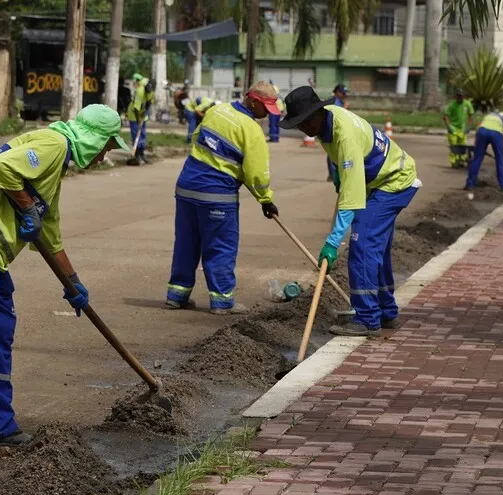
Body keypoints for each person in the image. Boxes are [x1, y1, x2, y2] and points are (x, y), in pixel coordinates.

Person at [0, 104, 128, 468]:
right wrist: (27, 207)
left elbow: (51, 237)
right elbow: (3, 168)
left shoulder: (55, 167)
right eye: (109, 146)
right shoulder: (54, 144)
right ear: (96, 139)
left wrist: (73, 284)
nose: (106, 155)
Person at [281, 86, 421, 338]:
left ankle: (367, 319)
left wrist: (333, 242)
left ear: (316, 114)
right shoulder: (327, 121)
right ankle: (386, 312)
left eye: (302, 123)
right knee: (377, 248)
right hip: (380, 181)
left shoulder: (343, 134)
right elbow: (343, 165)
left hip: (392, 182)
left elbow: (352, 199)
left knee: (363, 245)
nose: (302, 130)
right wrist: (338, 174)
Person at [165, 81, 281, 315]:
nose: (267, 114)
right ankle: (222, 301)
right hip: (217, 196)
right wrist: (265, 199)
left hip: (187, 188)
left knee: (187, 244)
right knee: (220, 248)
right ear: (252, 101)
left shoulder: (216, 111)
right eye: (265, 108)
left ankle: (176, 296)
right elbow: (257, 174)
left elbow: (197, 139)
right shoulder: (251, 129)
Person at [466, 111, 503, 193]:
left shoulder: (489, 116)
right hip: (496, 134)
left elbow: (478, 129)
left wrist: (477, 145)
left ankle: (470, 185)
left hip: (482, 131)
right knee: (499, 161)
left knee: (477, 159)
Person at [127, 73, 155, 166]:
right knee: (136, 135)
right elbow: (136, 108)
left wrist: (145, 113)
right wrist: (138, 119)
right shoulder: (139, 91)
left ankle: (142, 154)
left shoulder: (150, 91)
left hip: (143, 114)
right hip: (134, 115)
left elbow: (149, 102)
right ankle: (136, 155)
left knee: (142, 135)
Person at [444, 89, 475, 168]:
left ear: (463, 96)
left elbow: (471, 115)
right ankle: (454, 162)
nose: (459, 98)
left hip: (462, 129)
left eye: (461, 96)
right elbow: (445, 116)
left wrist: (468, 127)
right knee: (454, 146)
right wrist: (449, 127)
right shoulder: (452, 105)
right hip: (453, 128)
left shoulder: (467, 104)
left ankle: (461, 161)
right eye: (458, 96)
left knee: (463, 146)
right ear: (455, 96)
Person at [325, 84, 350, 181]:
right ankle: (332, 174)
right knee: (333, 152)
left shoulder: (338, 101)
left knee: (335, 152)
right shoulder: (334, 101)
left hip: (335, 129)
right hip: (332, 129)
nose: (345, 95)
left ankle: (333, 174)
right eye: (343, 93)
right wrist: (346, 108)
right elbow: (337, 114)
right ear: (337, 92)